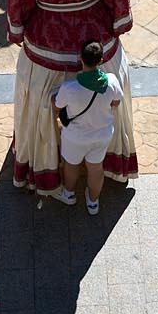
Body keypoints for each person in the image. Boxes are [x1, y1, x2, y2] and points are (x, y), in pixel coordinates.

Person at [6, 0, 138, 198]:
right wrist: (117, 27)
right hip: (95, 46)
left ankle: (48, 167)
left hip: (45, 51)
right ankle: (103, 164)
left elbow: (18, 0)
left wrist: (19, 31)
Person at [52, 39, 126, 215]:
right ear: (101, 60)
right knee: (95, 168)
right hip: (102, 135)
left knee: (71, 165)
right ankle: (93, 203)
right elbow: (116, 103)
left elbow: (56, 106)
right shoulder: (112, 81)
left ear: (80, 58)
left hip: (75, 137)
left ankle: (69, 194)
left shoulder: (69, 88)